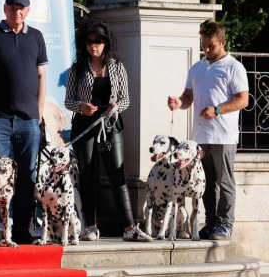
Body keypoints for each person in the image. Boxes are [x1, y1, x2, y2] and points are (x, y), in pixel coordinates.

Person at [65, 17, 152, 242]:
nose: (93, 45)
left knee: (117, 174)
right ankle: (90, 225)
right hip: (85, 125)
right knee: (87, 175)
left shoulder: (117, 67)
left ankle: (130, 227)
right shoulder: (77, 69)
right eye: (89, 41)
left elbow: (126, 100)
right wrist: (81, 106)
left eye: (98, 41)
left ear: (106, 43)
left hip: (111, 125)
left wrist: (115, 107)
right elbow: (68, 101)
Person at [0, 0, 46, 245]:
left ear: (27, 11)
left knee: (27, 175)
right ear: (5, 8)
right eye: (13, 7)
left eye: (21, 8)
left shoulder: (36, 36)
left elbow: (41, 76)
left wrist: (39, 111)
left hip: (29, 120)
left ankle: (23, 229)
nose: (17, 12)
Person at [168, 21, 249, 241]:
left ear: (223, 43)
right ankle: (211, 223)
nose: (206, 49)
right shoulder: (197, 67)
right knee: (206, 182)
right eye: (203, 45)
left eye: (210, 45)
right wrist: (178, 102)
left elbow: (243, 100)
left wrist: (218, 110)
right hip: (200, 137)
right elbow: (188, 97)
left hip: (224, 136)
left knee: (225, 182)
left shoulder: (234, 67)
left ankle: (225, 225)